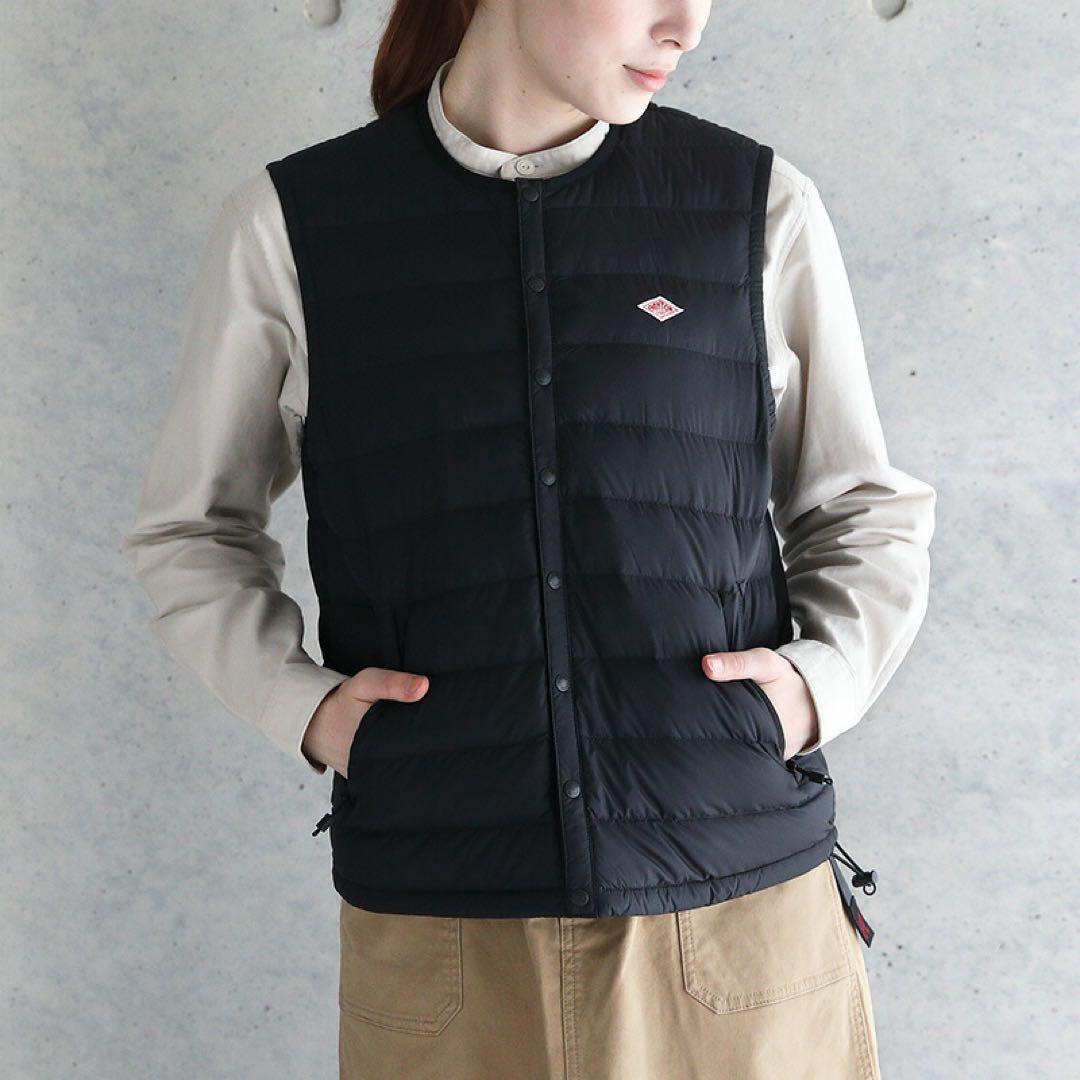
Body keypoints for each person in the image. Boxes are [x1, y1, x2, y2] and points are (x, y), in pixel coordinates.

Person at [122, 1, 936, 1076]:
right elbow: (194, 527)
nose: (686, 25)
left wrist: (813, 691)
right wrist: (305, 711)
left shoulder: (754, 206)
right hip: (444, 932)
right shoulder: (294, 225)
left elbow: (861, 506)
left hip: (739, 921)